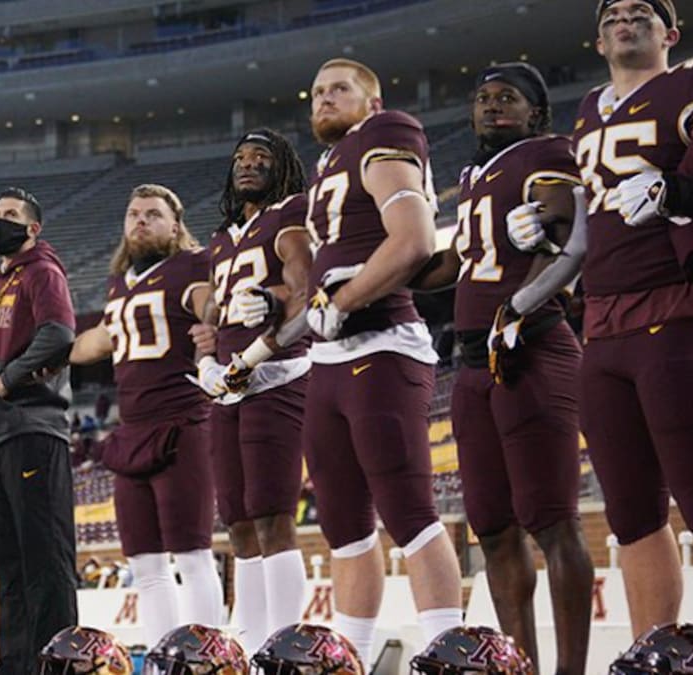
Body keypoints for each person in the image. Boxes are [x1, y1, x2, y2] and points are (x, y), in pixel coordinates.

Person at [510, 0, 693, 637]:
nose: (625, 19)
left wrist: (683, 204)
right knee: (631, 516)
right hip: (600, 326)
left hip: (675, 310)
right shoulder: (587, 111)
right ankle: (651, 650)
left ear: (671, 33)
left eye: (641, 12)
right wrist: (548, 230)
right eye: (613, 15)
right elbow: (598, 210)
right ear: (598, 42)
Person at [411, 63, 594, 674]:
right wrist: (381, 273)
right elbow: (458, 264)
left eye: (507, 97)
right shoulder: (473, 176)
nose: (491, 107)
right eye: (483, 98)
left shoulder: (549, 155)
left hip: (531, 348)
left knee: (553, 521)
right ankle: (522, 667)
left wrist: (524, 300)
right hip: (470, 362)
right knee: (491, 527)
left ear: (536, 110)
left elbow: (573, 240)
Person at [300, 58, 462, 659]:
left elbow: (416, 240)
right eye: (316, 92)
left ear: (372, 101)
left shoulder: (384, 133)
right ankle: (348, 658)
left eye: (339, 88)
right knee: (343, 528)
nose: (323, 99)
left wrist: (344, 299)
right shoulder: (326, 165)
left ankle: (450, 652)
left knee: (409, 513)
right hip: (330, 357)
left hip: (382, 343)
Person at [68, 184, 225, 648]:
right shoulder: (121, 282)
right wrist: (38, 352)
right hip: (132, 428)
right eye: (133, 213)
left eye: (153, 214)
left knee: (193, 554)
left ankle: (204, 656)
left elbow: (212, 307)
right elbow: (96, 341)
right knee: (145, 562)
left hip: (182, 420)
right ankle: (164, 656)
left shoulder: (192, 265)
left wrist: (213, 326)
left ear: (175, 225)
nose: (140, 221)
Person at [192, 128, 312, 652]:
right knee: (238, 519)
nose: (248, 164)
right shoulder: (222, 239)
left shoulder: (288, 216)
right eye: (240, 156)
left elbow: (308, 287)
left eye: (261, 157)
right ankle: (250, 641)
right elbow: (211, 319)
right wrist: (208, 358)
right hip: (229, 387)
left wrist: (272, 299)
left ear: (281, 165)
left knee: (271, 513)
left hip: (277, 376)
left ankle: (282, 643)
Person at [0, 187, 77, 675]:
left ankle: (57, 664)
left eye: (10, 215)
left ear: (33, 229)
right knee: (8, 566)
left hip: (34, 429)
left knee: (44, 562)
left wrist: (10, 380)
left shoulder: (43, 273)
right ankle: (15, 666)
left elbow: (59, 334)